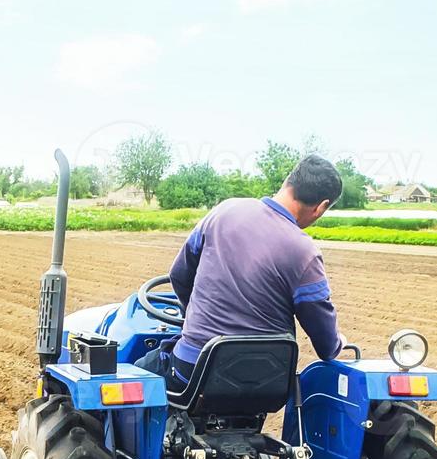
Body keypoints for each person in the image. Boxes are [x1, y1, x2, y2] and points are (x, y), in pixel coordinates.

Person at [137, 154, 346, 392]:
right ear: (321, 207)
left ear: (288, 182)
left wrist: (191, 317)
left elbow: (179, 275)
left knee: (136, 371)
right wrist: (337, 345)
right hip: (266, 383)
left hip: (194, 372)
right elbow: (325, 339)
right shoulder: (305, 252)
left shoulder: (224, 212)